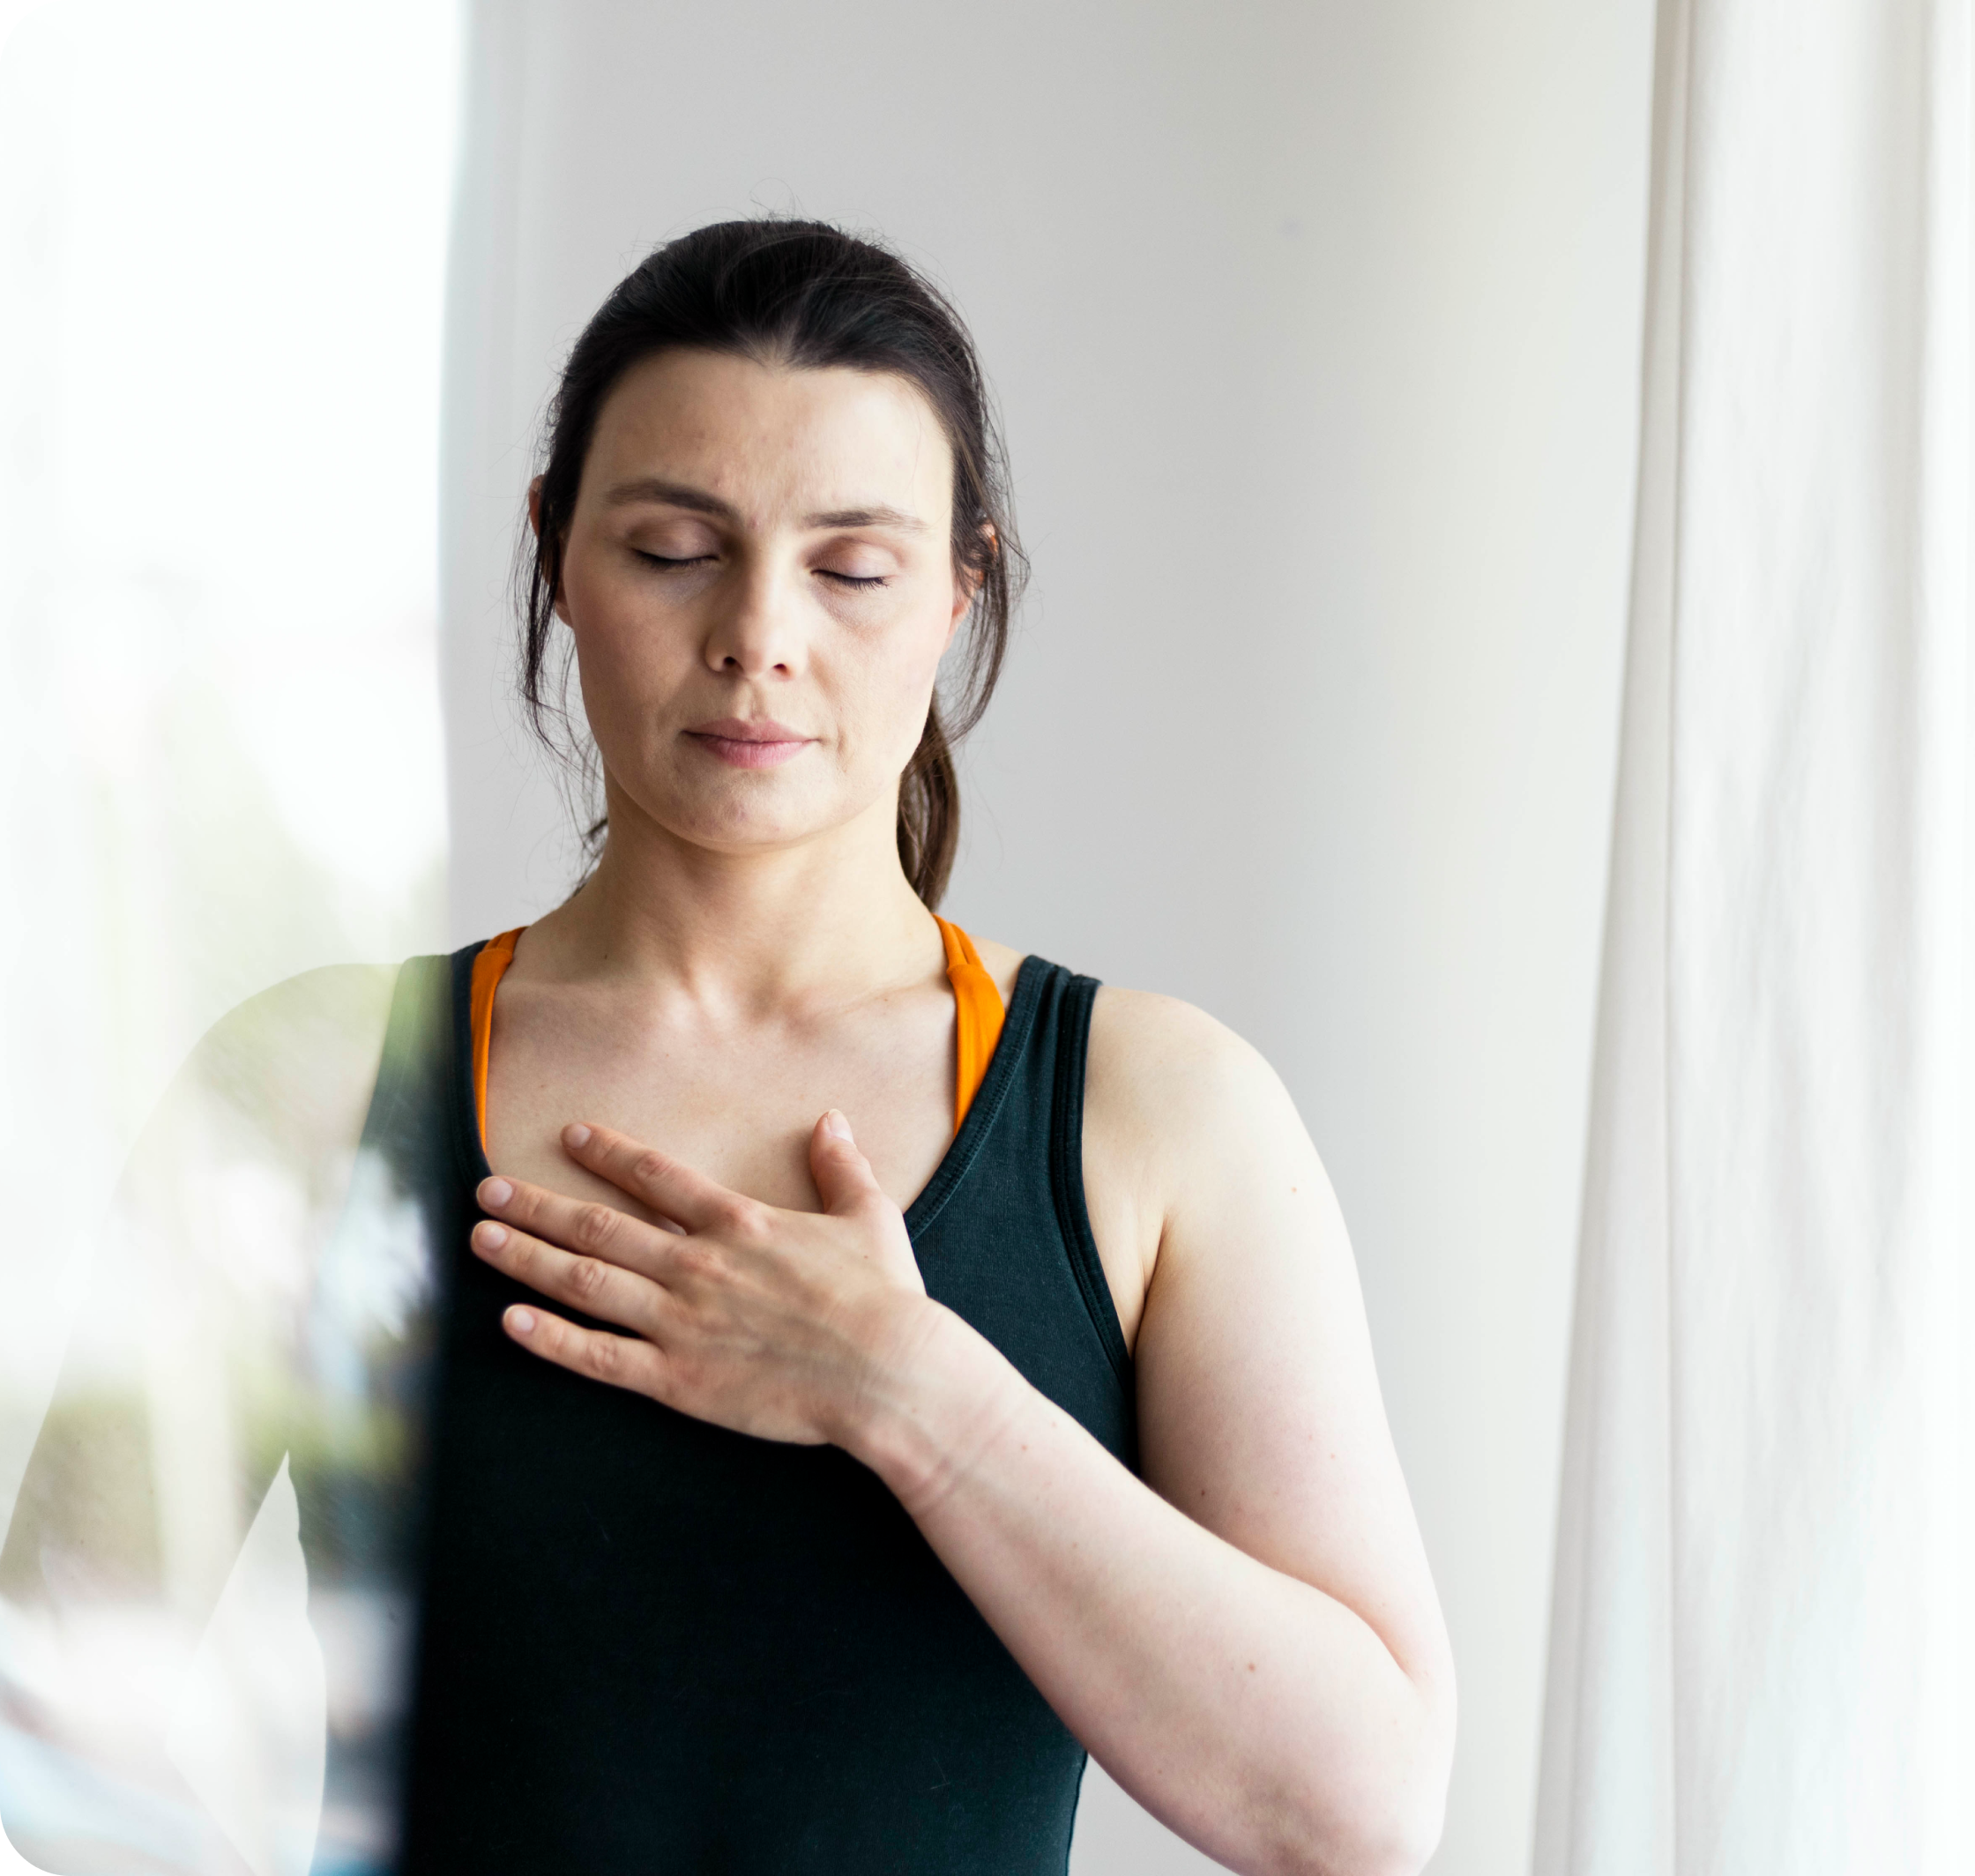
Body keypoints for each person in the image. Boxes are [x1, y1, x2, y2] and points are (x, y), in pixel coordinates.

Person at [3, 218, 1453, 1875]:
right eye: (677, 546)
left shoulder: (1157, 1115)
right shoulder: (315, 1081)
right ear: (557, 553)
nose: (760, 633)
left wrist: (914, 1396)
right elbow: (46, 1714)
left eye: (853, 569)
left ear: (960, 593)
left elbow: (1356, 1812)